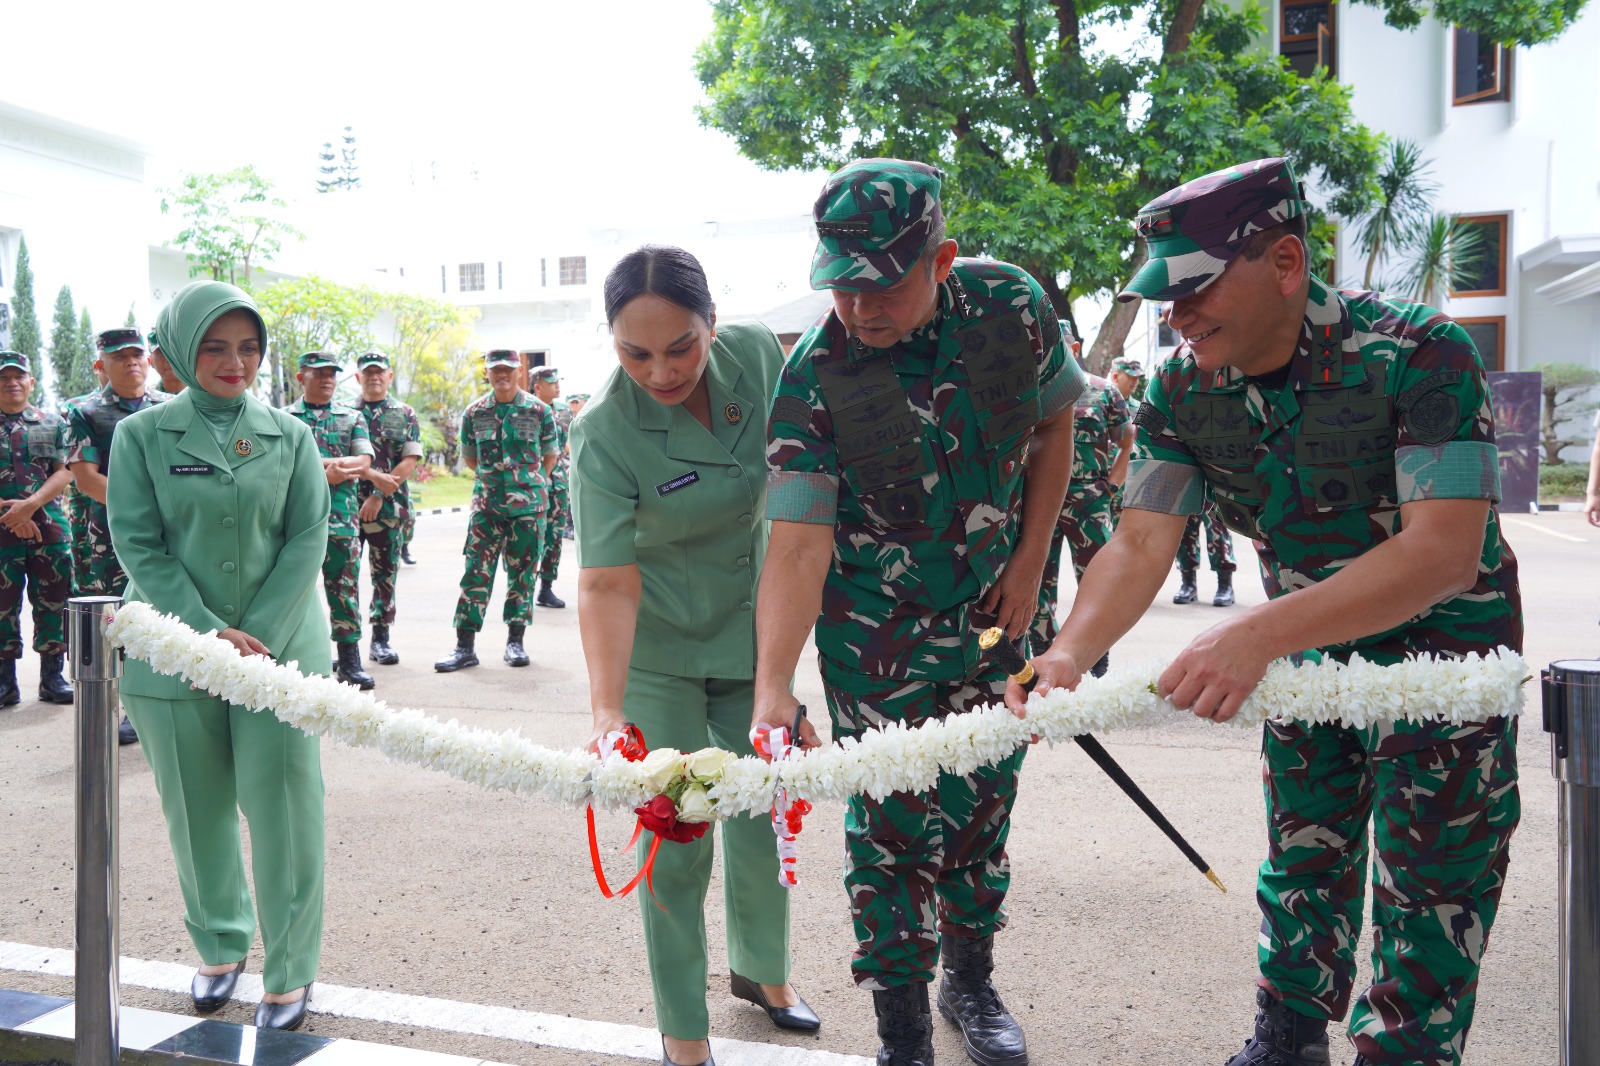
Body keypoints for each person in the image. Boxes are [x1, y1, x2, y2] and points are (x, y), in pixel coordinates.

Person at [1013, 158, 1522, 1066]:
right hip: (1301, 653)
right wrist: (1067, 653)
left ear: (1286, 263)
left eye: (1196, 289)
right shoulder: (1181, 389)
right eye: (1166, 297)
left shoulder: (1421, 353)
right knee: (1304, 851)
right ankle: (1287, 1042)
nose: (1177, 315)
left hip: (1442, 653)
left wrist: (1252, 634)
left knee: (1433, 884)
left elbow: (1442, 553)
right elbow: (1140, 542)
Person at [754, 158, 1084, 1066]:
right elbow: (797, 544)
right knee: (890, 830)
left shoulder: (1011, 307)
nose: (859, 307)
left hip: (996, 616)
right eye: (842, 284)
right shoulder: (815, 374)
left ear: (941, 261)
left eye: (884, 284)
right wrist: (773, 685)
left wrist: (1031, 560)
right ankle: (901, 1035)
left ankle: (969, 983)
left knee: (982, 806)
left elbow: (1054, 424)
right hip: (876, 635)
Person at [572, 245, 818, 1066]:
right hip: (661, 652)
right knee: (676, 835)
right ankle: (683, 1030)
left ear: (714, 322)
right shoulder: (603, 431)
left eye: (681, 346)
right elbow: (606, 581)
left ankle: (764, 971)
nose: (662, 371)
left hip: (756, 634)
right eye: (635, 353)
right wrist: (607, 710)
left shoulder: (757, 355)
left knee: (764, 813)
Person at [108, 280, 332, 1032]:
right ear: (177, 352)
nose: (235, 362)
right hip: (174, 652)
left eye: (248, 347)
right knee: (196, 810)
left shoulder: (291, 435)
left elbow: (307, 537)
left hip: (279, 654)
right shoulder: (141, 436)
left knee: (286, 812)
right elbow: (138, 543)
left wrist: (253, 634)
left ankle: (291, 970)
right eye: (214, 347)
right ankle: (219, 944)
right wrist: (207, 631)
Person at [68, 328, 170, 745]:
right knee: (117, 620)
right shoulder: (84, 412)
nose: (131, 362)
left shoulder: (169, 406)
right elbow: (86, 479)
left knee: (163, 614)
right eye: (119, 356)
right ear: (100, 365)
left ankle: (163, 696)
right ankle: (124, 704)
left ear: (148, 360)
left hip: (169, 533)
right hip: (108, 535)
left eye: (136, 355)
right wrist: (147, 506)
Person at [434, 350, 557, 672]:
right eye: (496, 369)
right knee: (475, 572)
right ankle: (464, 647)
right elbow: (470, 457)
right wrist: (494, 482)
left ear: (519, 372)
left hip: (528, 508)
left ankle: (515, 643)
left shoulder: (539, 410)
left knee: (523, 575)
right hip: (486, 508)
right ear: (487, 373)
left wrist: (530, 484)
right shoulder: (474, 412)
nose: (502, 374)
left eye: (508, 369)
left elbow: (550, 454)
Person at [1030, 339, 1131, 670]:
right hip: (1040, 501)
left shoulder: (1104, 391)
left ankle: (1095, 656)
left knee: (1097, 581)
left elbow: (1127, 440)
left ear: (1074, 348)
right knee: (1036, 581)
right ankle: (1043, 650)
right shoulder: (1031, 390)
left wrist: (1111, 487)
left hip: (1089, 503)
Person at [285, 352, 375, 690]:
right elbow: (281, 463)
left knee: (345, 591)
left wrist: (313, 465)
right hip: (296, 523)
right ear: (301, 377)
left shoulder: (352, 417)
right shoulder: (284, 418)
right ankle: (294, 659)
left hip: (341, 521)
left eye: (332, 374)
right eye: (319, 373)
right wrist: (329, 470)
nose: (327, 379)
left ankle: (350, 661)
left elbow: (363, 462)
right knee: (292, 593)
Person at [0, 350, 74, 707]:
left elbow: (65, 470)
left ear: (31, 381)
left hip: (49, 531)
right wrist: (12, 514)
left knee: (54, 601)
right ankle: (4, 683)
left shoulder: (52, 422)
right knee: (1, 606)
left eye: (18, 376)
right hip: (1, 533)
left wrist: (29, 506)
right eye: (3, 378)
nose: (11, 383)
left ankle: (52, 678)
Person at [353, 351, 422, 665]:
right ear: (358, 377)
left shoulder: (404, 413)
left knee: (385, 576)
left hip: (389, 508)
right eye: (368, 373)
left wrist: (379, 493)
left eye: (379, 372)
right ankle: (348, 642)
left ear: (389, 376)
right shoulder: (344, 412)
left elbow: (409, 461)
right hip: (347, 508)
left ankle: (380, 640)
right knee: (343, 576)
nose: (374, 377)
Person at [529, 366, 569, 608]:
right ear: (537, 386)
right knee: (531, 537)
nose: (557, 386)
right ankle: (523, 588)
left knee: (554, 536)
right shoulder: (526, 410)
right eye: (552, 382)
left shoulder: (564, 411)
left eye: (557, 381)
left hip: (559, 482)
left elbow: (567, 444)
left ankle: (546, 588)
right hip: (533, 483)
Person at [1172, 499, 1237, 607]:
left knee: (1217, 530)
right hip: (1186, 490)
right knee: (1184, 530)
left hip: (1212, 491)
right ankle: (1188, 584)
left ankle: (1225, 585)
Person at [149, 328, 185, 394]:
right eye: (161, 353)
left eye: (175, 351)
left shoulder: (204, 394)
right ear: (150, 361)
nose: (169, 359)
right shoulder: (147, 397)